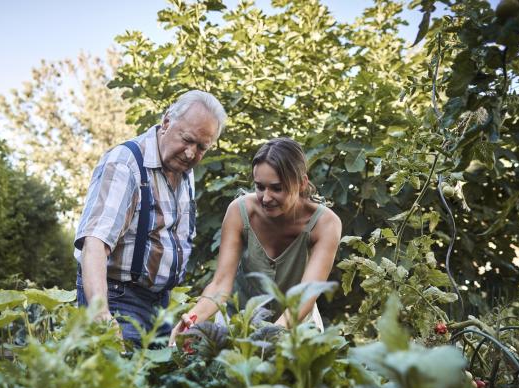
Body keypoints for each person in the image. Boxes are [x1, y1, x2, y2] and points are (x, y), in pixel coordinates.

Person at [74, 90, 227, 346]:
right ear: (166, 122)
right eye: (187, 140)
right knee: (123, 382)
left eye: (202, 147)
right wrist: (101, 313)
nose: (191, 154)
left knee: (158, 382)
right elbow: (95, 243)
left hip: (160, 305)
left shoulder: (183, 171)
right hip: (117, 299)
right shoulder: (125, 164)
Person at [169, 137, 342, 343]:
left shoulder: (326, 224)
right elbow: (221, 284)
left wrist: (270, 338)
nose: (266, 197)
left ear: (302, 183)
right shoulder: (240, 211)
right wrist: (193, 320)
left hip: (296, 328)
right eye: (260, 187)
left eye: (277, 188)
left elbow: (305, 295)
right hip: (237, 325)